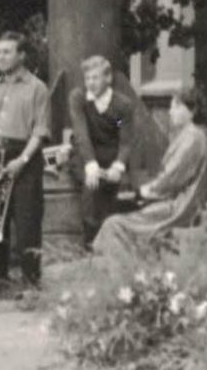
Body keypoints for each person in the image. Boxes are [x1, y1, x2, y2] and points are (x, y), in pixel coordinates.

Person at [92, 87, 207, 260]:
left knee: (113, 224)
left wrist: (141, 192)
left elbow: (171, 179)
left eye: (175, 106)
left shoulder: (193, 138)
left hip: (181, 207)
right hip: (178, 200)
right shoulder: (192, 135)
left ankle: (124, 269)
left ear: (192, 111)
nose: (170, 112)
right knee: (119, 214)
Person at [64, 55, 168, 246]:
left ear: (108, 78)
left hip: (110, 155)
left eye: (95, 78)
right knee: (92, 186)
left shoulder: (121, 106)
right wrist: (90, 164)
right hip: (84, 154)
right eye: (88, 79)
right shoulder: (79, 99)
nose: (91, 83)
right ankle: (91, 243)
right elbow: (81, 132)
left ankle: (109, 241)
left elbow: (125, 138)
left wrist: (118, 166)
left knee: (112, 192)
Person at [0, 31, 49, 295]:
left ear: (21, 55)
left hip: (26, 157)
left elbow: (40, 131)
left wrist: (22, 160)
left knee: (28, 220)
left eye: (7, 51)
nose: (1, 57)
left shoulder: (37, 88)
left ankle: (31, 282)